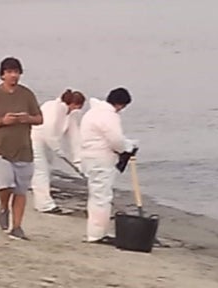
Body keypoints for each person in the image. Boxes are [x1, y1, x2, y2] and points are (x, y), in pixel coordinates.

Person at [0, 57, 43, 240]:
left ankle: (17, 226)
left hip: (23, 149)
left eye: (16, 72)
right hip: (0, 148)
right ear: (2, 74)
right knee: (6, 184)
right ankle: (4, 206)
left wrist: (26, 118)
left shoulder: (27, 94)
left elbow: (39, 118)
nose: (13, 75)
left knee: (21, 191)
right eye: (10, 72)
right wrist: (1, 121)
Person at [77, 87, 139, 243]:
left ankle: (95, 231)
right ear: (120, 104)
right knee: (102, 197)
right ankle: (97, 234)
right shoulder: (109, 116)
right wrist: (128, 148)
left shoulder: (92, 112)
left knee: (95, 195)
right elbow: (116, 140)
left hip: (88, 157)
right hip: (101, 160)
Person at [31, 89, 86, 214]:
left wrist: (78, 160)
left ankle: (44, 197)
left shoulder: (70, 114)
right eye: (78, 107)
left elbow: (74, 137)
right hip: (35, 140)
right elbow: (47, 130)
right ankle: (43, 205)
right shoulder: (53, 108)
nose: (78, 111)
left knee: (47, 170)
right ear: (73, 104)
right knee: (41, 171)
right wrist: (58, 149)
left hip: (49, 144)